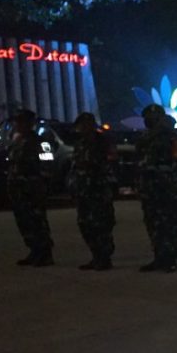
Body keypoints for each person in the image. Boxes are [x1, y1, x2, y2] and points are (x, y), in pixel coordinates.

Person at [136, 104, 177, 272]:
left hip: (165, 187)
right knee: (154, 223)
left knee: (165, 223)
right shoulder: (148, 137)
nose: (148, 121)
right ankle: (161, 256)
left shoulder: (171, 136)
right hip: (151, 187)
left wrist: (174, 185)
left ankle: (168, 258)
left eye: (152, 118)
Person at [71, 112, 117, 270]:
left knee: (101, 224)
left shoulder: (102, 141)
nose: (83, 128)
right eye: (81, 125)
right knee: (85, 224)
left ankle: (104, 257)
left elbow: (109, 163)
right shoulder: (80, 143)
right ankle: (96, 255)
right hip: (84, 190)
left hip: (98, 189)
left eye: (86, 124)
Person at [7, 109, 53, 266]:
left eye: (22, 121)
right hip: (18, 187)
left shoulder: (39, 141)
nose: (18, 125)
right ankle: (34, 251)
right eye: (17, 122)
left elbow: (47, 163)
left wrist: (40, 182)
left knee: (37, 220)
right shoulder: (16, 141)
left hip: (32, 187)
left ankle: (45, 253)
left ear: (30, 123)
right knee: (24, 220)